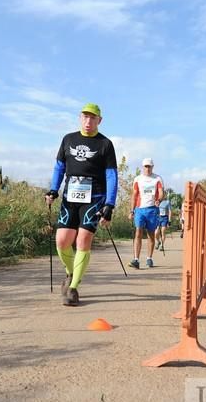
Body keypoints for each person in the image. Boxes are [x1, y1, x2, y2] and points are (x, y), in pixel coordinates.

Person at [45, 103, 117, 306]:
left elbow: (111, 175)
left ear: (99, 121)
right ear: (80, 118)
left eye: (93, 118)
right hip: (70, 197)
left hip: (94, 198)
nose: (88, 121)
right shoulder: (68, 139)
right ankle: (70, 272)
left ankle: (73, 288)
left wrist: (109, 204)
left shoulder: (105, 144)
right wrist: (53, 189)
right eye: (85, 117)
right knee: (61, 241)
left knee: (83, 240)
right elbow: (59, 167)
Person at [128, 158, 164, 269]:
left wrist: (159, 200)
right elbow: (134, 195)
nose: (147, 168)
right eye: (145, 166)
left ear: (152, 167)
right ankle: (136, 260)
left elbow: (162, 192)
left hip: (152, 209)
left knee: (151, 234)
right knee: (138, 232)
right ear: (142, 167)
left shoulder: (157, 178)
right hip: (139, 209)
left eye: (149, 166)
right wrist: (131, 210)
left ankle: (149, 258)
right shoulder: (137, 179)